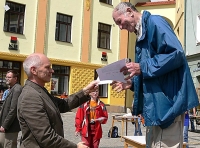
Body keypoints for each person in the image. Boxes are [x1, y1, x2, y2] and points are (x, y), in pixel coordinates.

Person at [111, 2, 199, 147]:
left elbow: (176, 54)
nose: (120, 27)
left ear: (129, 11)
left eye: (119, 21)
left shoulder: (155, 22)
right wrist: (132, 84)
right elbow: (153, 73)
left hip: (168, 106)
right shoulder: (141, 34)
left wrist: (142, 66)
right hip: (156, 109)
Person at [17, 53, 99, 148]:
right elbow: (45, 137)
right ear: (34, 70)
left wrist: (86, 91)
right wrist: (75, 147)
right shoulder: (30, 97)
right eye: (47, 67)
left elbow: (64, 104)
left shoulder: (39, 91)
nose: (52, 70)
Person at [0, 70, 22, 148]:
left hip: (10, 127)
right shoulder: (12, 88)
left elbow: (13, 109)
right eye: (6, 77)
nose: (6, 79)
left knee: (9, 145)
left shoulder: (17, 89)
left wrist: (5, 125)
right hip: (5, 125)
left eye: (9, 77)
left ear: (15, 78)